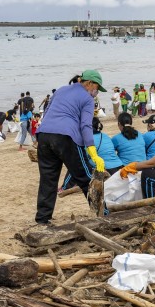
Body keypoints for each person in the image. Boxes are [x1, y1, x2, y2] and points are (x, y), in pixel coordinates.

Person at [34, 70, 107, 225]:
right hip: (66, 137)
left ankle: (42, 218)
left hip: (44, 134)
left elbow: (46, 113)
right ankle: (103, 213)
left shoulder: (61, 90)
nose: (97, 92)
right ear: (89, 83)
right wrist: (92, 151)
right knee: (86, 177)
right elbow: (86, 125)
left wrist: (38, 136)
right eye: (97, 88)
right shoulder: (87, 99)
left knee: (48, 179)